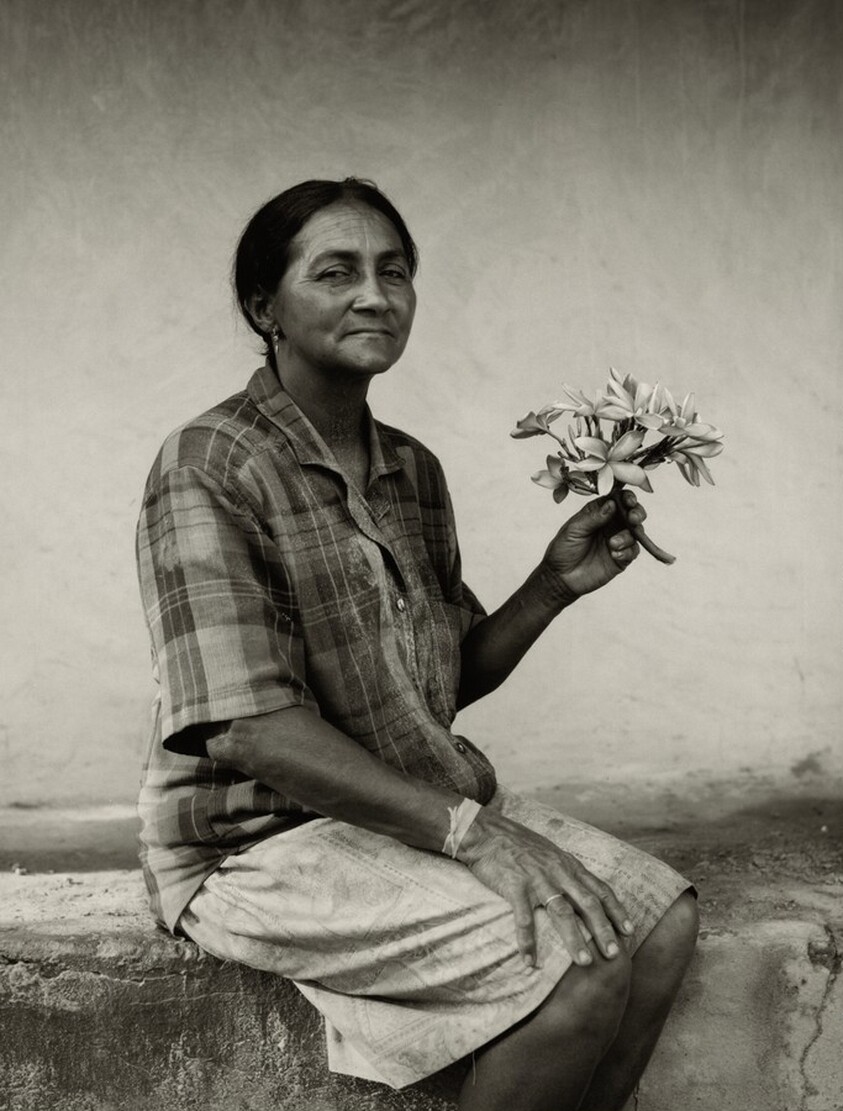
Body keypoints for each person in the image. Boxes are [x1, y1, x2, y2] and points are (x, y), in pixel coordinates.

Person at [136, 177, 698, 1111]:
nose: (374, 294)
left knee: (661, 922)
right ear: (263, 307)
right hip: (255, 841)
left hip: (405, 805)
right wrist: (471, 834)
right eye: (336, 272)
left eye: (393, 271)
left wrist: (551, 585)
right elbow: (247, 729)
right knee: (575, 964)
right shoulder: (210, 464)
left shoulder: (410, 469)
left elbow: (433, 685)